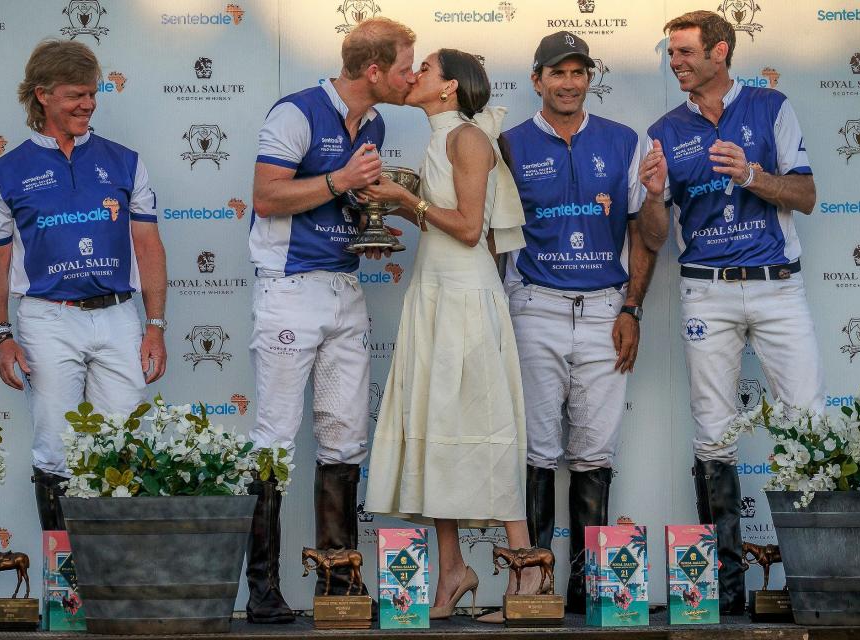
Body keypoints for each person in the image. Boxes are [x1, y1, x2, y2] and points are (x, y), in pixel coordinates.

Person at [640, 10, 823, 614]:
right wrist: (653, 195)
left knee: (806, 423)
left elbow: (807, 195)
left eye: (687, 52)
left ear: (721, 51)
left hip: (776, 288)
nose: (677, 62)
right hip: (706, 291)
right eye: (672, 54)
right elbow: (655, 233)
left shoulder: (771, 107)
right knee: (713, 431)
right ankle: (723, 590)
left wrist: (755, 176)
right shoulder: (664, 128)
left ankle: (814, 577)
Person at [246, 17, 417, 623]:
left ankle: (338, 585)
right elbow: (266, 197)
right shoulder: (295, 112)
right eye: (404, 68)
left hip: (346, 288)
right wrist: (341, 180)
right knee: (275, 435)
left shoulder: (374, 121)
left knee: (345, 435)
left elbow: (341, 199)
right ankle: (262, 589)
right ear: (374, 71)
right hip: (290, 290)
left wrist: (365, 216)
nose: (411, 77)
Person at [362, 49, 533, 623]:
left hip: (464, 298)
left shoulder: (467, 140)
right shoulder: (440, 139)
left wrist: (405, 199)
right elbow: (445, 221)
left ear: (449, 88)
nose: (413, 77)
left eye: (425, 70)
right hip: (433, 293)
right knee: (437, 424)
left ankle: (527, 567)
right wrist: (398, 203)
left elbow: (466, 228)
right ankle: (453, 569)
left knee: (488, 425)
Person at [0, 40, 168, 531]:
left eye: (93, 94)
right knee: (56, 448)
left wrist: (156, 325)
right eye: (76, 95)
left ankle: (112, 574)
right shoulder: (6, 172)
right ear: (42, 95)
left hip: (120, 314)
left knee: (120, 445)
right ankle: (65, 587)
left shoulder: (125, 161)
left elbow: (147, 246)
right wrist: (1, 335)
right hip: (47, 318)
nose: (89, 104)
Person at [500, 31, 658, 615]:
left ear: (590, 77)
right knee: (537, 452)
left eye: (578, 72)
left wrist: (633, 309)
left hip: (604, 310)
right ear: (537, 80)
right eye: (557, 73)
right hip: (534, 307)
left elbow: (648, 232)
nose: (569, 83)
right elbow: (494, 239)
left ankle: (591, 591)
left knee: (595, 453)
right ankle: (534, 593)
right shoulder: (508, 144)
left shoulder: (623, 141)